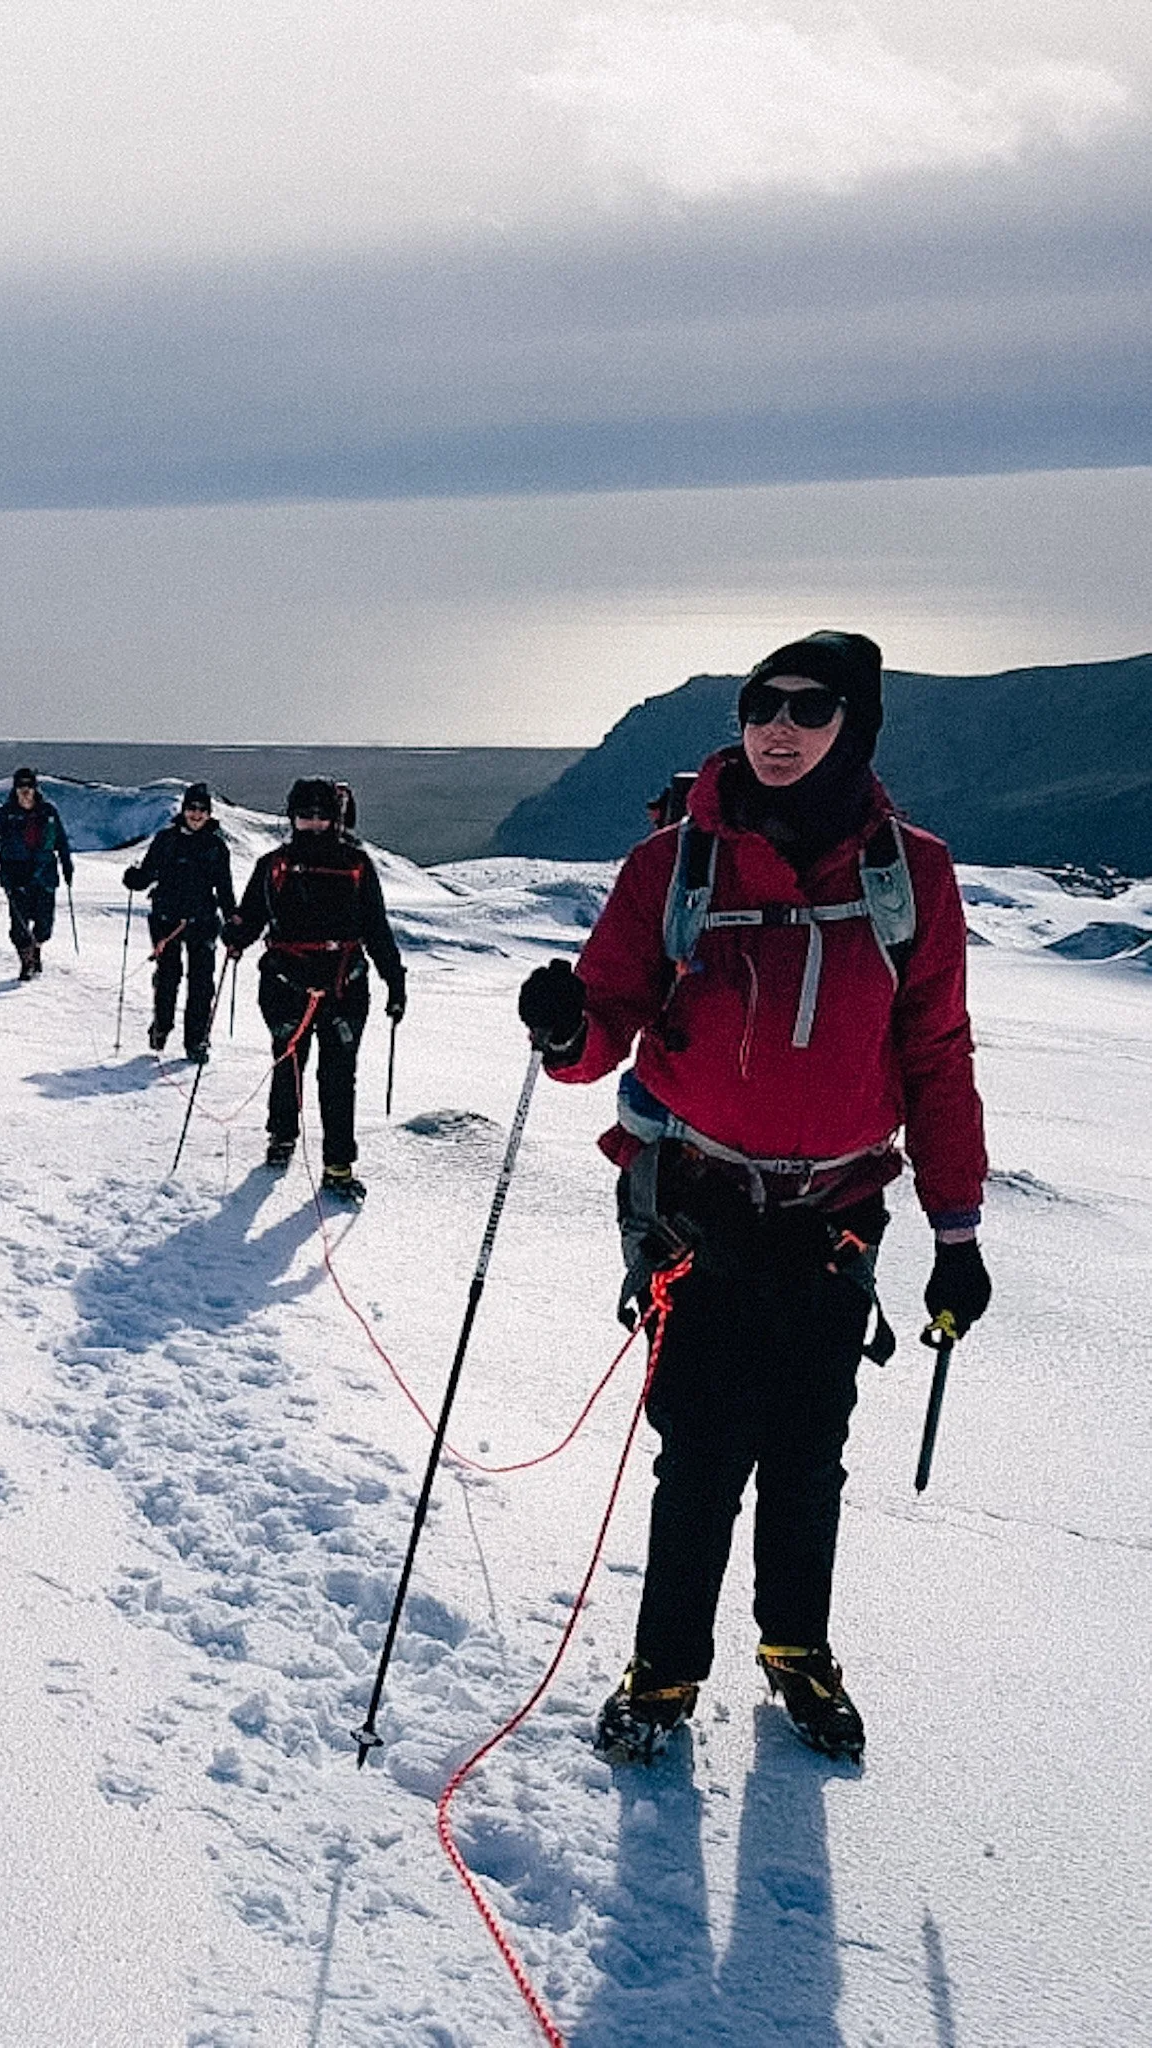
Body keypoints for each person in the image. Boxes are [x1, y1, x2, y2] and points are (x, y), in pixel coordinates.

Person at [518, 631, 991, 1762]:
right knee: (698, 1452)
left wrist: (955, 1228)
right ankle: (665, 1667)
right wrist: (565, 1028)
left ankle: (795, 1648)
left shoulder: (909, 873)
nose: (777, 728)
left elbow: (935, 1054)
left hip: (834, 1216)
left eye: (808, 708)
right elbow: (607, 1023)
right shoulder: (672, 865)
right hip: (697, 1203)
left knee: (806, 1449)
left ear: (854, 724)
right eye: (757, 705)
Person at [225, 777, 406, 1203]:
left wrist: (394, 981)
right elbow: (251, 918)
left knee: (338, 1077)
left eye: (321, 816)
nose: (313, 824)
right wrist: (234, 935)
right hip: (290, 985)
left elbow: (376, 928)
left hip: (343, 987)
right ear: (292, 817)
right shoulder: (272, 866)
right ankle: (283, 1135)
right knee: (288, 1064)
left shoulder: (357, 866)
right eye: (305, 815)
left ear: (336, 818)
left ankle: (337, 1165)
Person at [122, 783, 237, 1061]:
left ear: (209, 813)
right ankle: (162, 1026)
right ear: (183, 810)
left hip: (203, 922)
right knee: (167, 978)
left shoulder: (216, 846)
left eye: (202, 809)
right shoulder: (165, 840)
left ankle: (196, 1041)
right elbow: (148, 873)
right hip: (166, 920)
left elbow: (224, 888)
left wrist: (233, 921)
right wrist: (135, 879)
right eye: (192, 808)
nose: (196, 814)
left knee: (201, 985)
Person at [0, 767, 73, 980]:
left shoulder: (48, 811)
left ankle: (36, 948)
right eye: (21, 786)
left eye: (29, 785)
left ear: (35, 787)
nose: (25, 790)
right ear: (15, 788)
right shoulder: (5, 814)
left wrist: (67, 866)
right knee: (19, 924)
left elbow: (61, 840)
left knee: (44, 924)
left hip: (45, 874)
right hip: (15, 876)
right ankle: (27, 962)